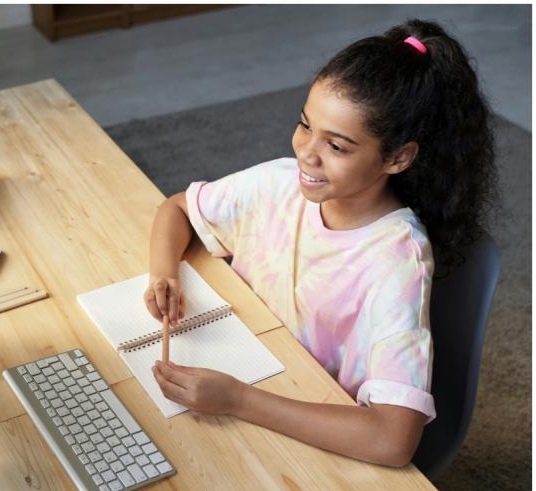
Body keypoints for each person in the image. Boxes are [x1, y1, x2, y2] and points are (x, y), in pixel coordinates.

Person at [144, 19, 496, 467]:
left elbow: (392, 439)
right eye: (305, 125)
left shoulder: (396, 261)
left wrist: (237, 400)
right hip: (254, 370)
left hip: (308, 425)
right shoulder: (279, 184)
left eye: (337, 146)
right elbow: (176, 209)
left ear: (397, 157)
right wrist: (163, 273)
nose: (306, 153)